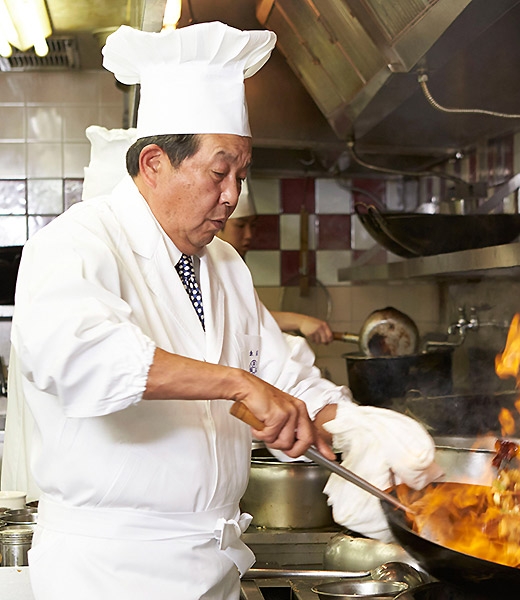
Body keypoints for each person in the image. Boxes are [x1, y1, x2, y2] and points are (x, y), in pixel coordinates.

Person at [4, 21, 440, 600]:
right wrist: (236, 383)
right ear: (154, 163)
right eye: (219, 172)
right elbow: (85, 358)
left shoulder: (225, 265)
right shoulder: (76, 243)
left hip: (213, 568)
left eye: (241, 174)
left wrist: (355, 426)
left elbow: (283, 378)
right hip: (111, 573)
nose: (233, 195)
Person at [217, 180, 334, 344]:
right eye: (240, 226)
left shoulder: (234, 266)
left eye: (253, 225)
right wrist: (300, 321)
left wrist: (301, 322)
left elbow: (249, 315)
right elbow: (241, 318)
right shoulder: (208, 265)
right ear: (218, 224)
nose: (249, 235)